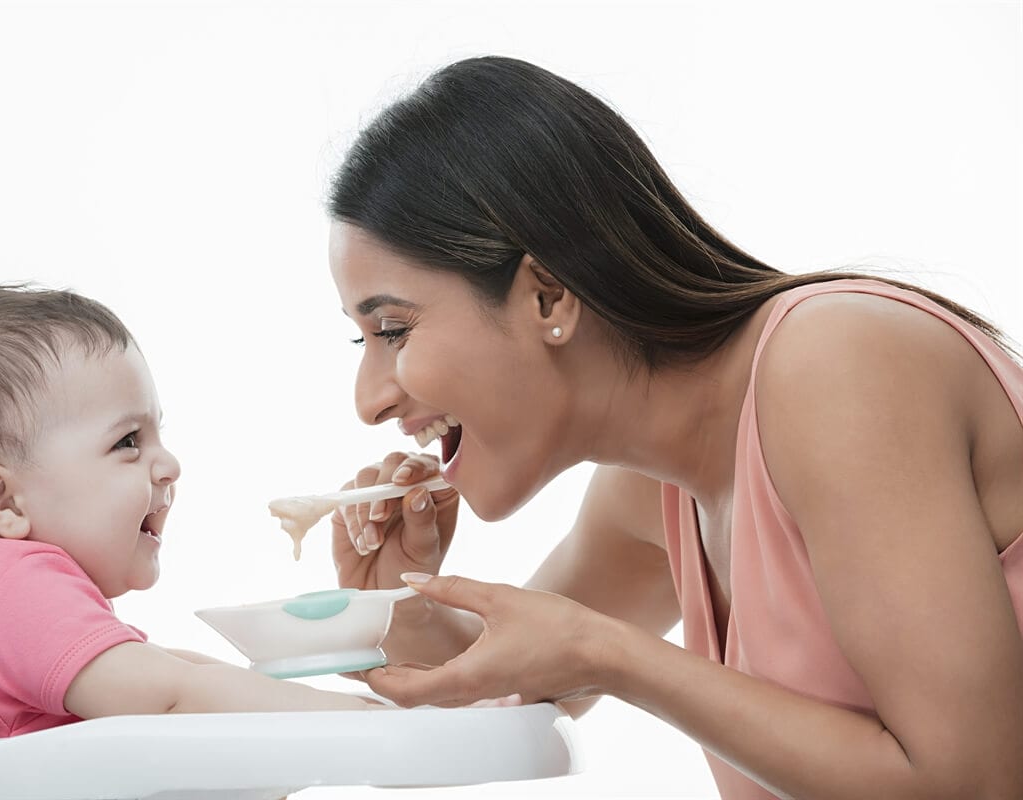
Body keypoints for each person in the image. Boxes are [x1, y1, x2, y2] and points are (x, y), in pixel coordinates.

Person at [325, 56, 1023, 799]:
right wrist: (401, 605)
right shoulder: (648, 488)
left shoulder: (838, 366)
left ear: (547, 296)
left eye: (394, 328)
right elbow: (509, 687)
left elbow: (972, 783)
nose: (369, 402)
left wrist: (610, 655)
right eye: (360, 340)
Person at [0, 283, 380, 769]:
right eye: (128, 441)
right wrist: (360, 723)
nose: (169, 463)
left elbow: (168, 672)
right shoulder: (12, 589)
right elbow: (171, 696)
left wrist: (300, 696)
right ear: (2, 499)